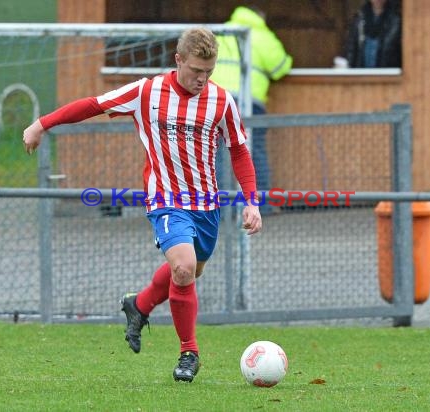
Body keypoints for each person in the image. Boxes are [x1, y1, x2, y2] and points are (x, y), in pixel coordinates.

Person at [22, 27, 262, 383]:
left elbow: (239, 149)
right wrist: (43, 123)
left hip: (206, 203)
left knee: (191, 270)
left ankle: (140, 304)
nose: (202, 78)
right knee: (183, 268)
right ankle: (189, 353)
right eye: (196, 70)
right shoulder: (146, 92)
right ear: (178, 60)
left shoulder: (221, 100)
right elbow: (94, 104)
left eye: (208, 72)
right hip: (165, 199)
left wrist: (251, 200)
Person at [211, 5, 292, 213]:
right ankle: (261, 206)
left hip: (217, 101)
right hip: (248, 103)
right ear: (261, 16)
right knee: (253, 152)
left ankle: (221, 209)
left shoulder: (220, 32)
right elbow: (281, 67)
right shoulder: (263, 36)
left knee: (217, 154)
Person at [344, 0, 402, 68]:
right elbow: (351, 49)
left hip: (387, 74)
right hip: (361, 73)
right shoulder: (360, 18)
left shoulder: (396, 20)